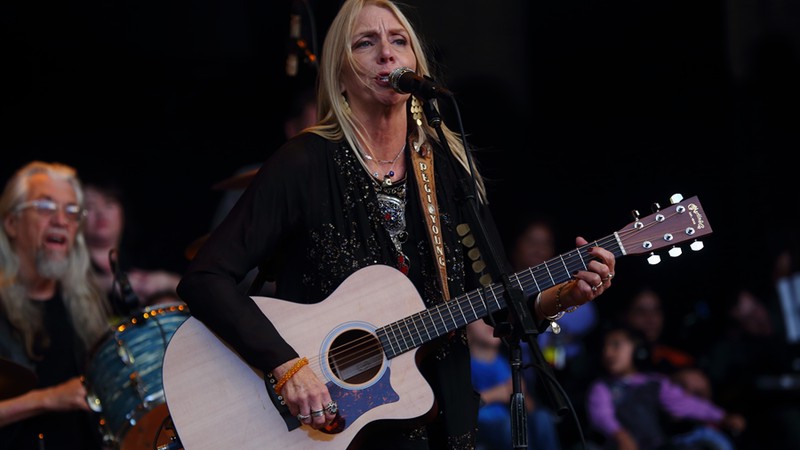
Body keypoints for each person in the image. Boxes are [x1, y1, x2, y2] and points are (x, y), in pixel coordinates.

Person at [176, 1, 617, 448]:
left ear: (416, 65)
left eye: (398, 40)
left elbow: (500, 302)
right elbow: (206, 277)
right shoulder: (305, 163)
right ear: (340, 74)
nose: (387, 54)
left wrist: (566, 294)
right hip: (333, 424)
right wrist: (286, 364)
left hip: (440, 410)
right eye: (366, 43)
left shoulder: (446, 168)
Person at [0, 161, 110, 449]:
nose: (61, 221)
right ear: (12, 223)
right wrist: (48, 398)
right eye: (46, 207)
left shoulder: (85, 303)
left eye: (72, 212)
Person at [586, 324, 745, 450]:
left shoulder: (655, 382)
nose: (608, 353)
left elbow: (686, 404)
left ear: (638, 350)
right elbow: (602, 416)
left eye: (616, 345)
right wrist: (621, 436)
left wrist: (722, 417)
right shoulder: (602, 387)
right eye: (605, 348)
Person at [82, 179, 182, 316]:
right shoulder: (73, 262)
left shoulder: (145, 253)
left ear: (122, 211)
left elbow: (195, 289)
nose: (101, 213)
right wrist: (108, 284)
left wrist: (165, 281)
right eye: (90, 206)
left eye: (109, 203)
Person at [467, 320, 561, 450]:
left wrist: (521, 394)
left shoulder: (506, 363)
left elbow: (531, 409)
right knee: (510, 428)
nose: (489, 324)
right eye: (481, 319)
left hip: (510, 420)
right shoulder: (464, 366)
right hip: (482, 426)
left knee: (543, 418)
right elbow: (463, 409)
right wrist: (499, 393)